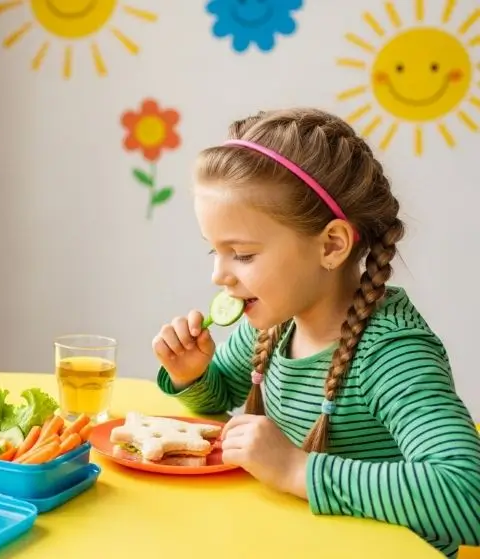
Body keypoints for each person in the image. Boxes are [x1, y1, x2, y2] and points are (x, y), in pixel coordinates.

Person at [152, 108, 480, 557]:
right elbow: (219, 401)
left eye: (242, 255)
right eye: (215, 250)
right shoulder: (274, 325)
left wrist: (296, 469)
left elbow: (468, 496)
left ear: (331, 246)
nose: (218, 276)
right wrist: (193, 374)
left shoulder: (391, 354)